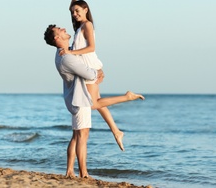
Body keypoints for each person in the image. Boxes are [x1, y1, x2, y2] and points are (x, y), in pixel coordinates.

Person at [44, 25, 144, 178]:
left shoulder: (62, 53)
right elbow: (90, 75)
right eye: (60, 30)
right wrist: (98, 71)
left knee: (76, 137)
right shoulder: (67, 58)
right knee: (82, 137)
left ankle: (70, 171)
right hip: (80, 99)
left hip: (74, 99)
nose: (64, 29)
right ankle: (83, 173)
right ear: (57, 38)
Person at [59, 0, 127, 151]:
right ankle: (116, 131)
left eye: (77, 11)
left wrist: (70, 52)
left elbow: (91, 47)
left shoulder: (87, 25)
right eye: (73, 12)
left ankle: (126, 99)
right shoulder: (78, 27)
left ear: (85, 9)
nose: (74, 14)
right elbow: (70, 8)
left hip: (90, 66)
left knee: (93, 103)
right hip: (87, 68)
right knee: (96, 101)